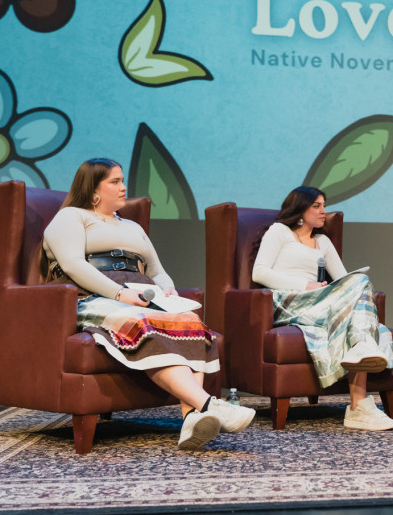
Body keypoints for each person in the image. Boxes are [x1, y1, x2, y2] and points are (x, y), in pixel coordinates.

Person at [41, 158, 255, 450]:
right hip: (93, 295)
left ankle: (191, 417)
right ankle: (209, 405)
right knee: (140, 323)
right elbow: (74, 266)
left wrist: (167, 293)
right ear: (93, 189)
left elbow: (156, 270)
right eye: (114, 182)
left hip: (141, 294)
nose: (123, 186)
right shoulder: (71, 217)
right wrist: (118, 294)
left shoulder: (131, 226)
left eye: (122, 180)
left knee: (191, 323)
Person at [252, 186, 393, 430]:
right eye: (317, 206)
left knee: (360, 282)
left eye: (324, 206)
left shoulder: (323, 242)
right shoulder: (280, 232)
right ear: (300, 209)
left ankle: (358, 401)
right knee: (361, 287)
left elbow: (345, 281)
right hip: (288, 301)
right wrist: (305, 284)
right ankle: (359, 397)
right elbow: (260, 272)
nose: (323, 212)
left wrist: (327, 289)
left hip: (320, 302)